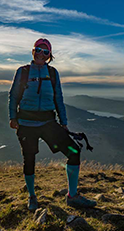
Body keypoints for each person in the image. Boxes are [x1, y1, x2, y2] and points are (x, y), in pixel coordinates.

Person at [8, 38, 97, 210]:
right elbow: (14, 96)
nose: (42, 54)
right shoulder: (23, 72)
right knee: (29, 159)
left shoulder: (53, 73)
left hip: (49, 122)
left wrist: (63, 122)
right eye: (38, 50)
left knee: (73, 151)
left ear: (50, 55)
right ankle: (32, 196)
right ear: (33, 51)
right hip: (26, 123)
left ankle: (72, 196)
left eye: (46, 51)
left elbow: (58, 98)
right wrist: (12, 118)